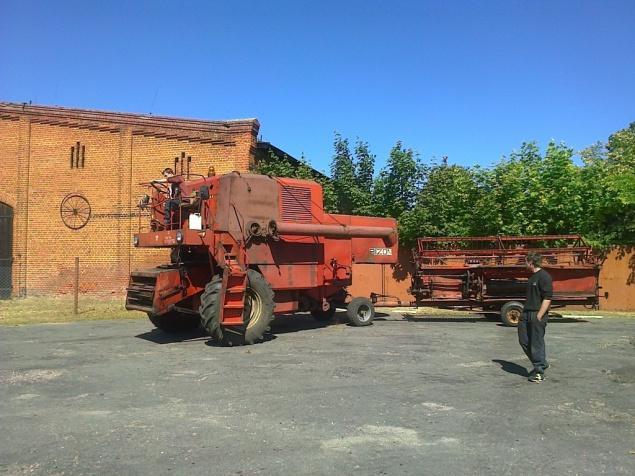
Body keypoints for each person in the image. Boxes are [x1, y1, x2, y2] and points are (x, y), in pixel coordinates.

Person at [519, 252, 553, 383]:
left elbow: (547, 298)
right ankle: (542, 363)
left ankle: (539, 372)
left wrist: (539, 315)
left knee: (536, 343)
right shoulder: (532, 277)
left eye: (525, 262)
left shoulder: (544, 277)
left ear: (531, 263)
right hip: (526, 313)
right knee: (524, 341)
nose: (525, 264)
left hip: (536, 314)